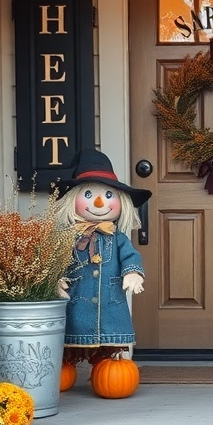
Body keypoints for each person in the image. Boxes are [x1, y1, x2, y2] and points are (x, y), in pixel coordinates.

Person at [55, 149, 151, 371]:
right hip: (77, 303)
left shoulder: (117, 238)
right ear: (73, 200)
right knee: (68, 349)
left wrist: (133, 272)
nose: (99, 202)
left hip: (110, 305)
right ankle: (68, 362)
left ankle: (105, 363)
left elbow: (130, 256)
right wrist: (55, 279)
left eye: (109, 195)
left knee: (111, 366)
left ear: (121, 202)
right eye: (88, 195)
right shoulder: (67, 238)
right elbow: (57, 260)